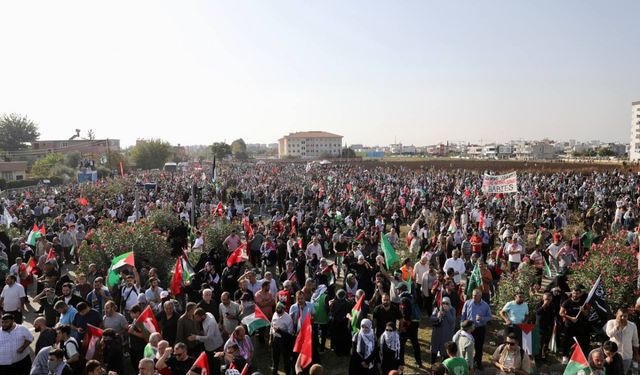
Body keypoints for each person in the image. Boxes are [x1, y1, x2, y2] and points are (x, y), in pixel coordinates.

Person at [460, 288, 491, 369]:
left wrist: (482, 318)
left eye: (475, 296)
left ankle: (478, 362)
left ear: (480, 296)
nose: (473, 297)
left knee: (479, 347)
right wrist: (462, 326)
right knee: (466, 346)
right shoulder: (467, 303)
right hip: (468, 329)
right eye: (473, 295)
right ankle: (466, 362)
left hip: (479, 328)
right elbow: (463, 315)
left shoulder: (485, 305)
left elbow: (489, 317)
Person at [559, 285, 589, 364]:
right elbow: (561, 313)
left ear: (580, 294)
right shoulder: (567, 302)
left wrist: (583, 310)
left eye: (577, 294)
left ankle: (577, 357)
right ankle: (565, 356)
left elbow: (586, 314)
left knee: (579, 342)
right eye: (574, 293)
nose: (575, 295)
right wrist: (570, 318)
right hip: (569, 326)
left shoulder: (583, 303)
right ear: (572, 293)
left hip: (580, 326)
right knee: (567, 341)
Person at [605, 308, 640, 374]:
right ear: (616, 315)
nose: (623, 318)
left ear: (627, 316)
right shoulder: (611, 322)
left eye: (625, 316)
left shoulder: (632, 325)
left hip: (627, 355)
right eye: (621, 316)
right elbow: (609, 334)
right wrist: (617, 326)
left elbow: (635, 341)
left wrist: (636, 354)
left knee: (624, 373)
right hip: (614, 355)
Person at [191, 308, 224, 375]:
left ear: (202, 316)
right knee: (210, 365)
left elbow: (209, 337)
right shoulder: (208, 313)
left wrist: (196, 337)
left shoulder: (210, 323)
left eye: (197, 318)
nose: (196, 319)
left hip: (215, 346)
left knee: (215, 366)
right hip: (209, 346)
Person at [431, 296, 456, 364]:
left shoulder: (452, 310)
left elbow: (452, 320)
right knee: (434, 350)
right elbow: (431, 318)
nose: (445, 304)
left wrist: (447, 312)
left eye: (447, 303)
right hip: (437, 333)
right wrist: (437, 316)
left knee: (445, 350)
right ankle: (433, 364)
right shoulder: (437, 309)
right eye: (443, 303)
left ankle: (445, 365)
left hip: (446, 333)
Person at [270, 302, 294, 375]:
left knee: (286, 358)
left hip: (284, 341)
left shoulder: (288, 318)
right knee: (275, 356)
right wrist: (270, 338)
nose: (277, 309)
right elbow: (271, 326)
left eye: (279, 307)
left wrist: (279, 331)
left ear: (283, 309)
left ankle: (287, 372)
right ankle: (275, 370)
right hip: (275, 339)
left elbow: (290, 334)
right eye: (276, 307)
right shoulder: (274, 314)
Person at [329, 289, 352, 356]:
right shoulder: (348, 303)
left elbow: (331, 312)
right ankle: (345, 351)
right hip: (344, 323)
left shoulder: (334, 303)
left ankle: (337, 350)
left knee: (336, 337)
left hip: (336, 323)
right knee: (344, 337)